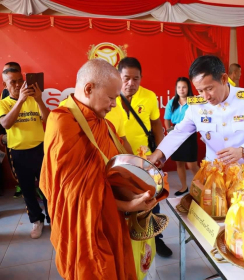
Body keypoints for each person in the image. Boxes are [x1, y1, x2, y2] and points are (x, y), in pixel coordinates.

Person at [40, 59, 156, 280]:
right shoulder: (63, 124)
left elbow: (113, 173)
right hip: (85, 228)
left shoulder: (104, 125)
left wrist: (143, 184)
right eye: (112, 98)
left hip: (112, 220)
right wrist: (128, 205)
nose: (114, 105)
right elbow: (75, 198)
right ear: (88, 88)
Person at [148, 55, 244, 189]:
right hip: (216, 176)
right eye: (200, 91)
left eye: (209, 89)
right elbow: (179, 132)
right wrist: (157, 154)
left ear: (224, 79)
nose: (205, 97)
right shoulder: (196, 106)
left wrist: (242, 151)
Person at [117, 57, 172, 258]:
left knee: (152, 197)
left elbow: (156, 125)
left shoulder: (148, 97)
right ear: (118, 77)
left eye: (136, 78)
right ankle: (128, 240)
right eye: (126, 78)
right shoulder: (110, 96)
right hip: (118, 161)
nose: (131, 83)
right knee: (124, 199)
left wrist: (160, 152)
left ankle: (156, 239)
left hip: (145, 158)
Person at [0, 67, 50, 238]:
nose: (18, 84)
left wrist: (39, 100)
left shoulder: (34, 99)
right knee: (27, 190)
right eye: (13, 81)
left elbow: (49, 120)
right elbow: (6, 123)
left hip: (40, 150)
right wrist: (20, 101)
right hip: (18, 153)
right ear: (5, 84)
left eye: (20, 80)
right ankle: (36, 221)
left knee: (48, 188)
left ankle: (53, 218)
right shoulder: (1, 103)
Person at [59, 93, 133, 154]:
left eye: (115, 98)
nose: (114, 104)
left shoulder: (116, 108)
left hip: (110, 168)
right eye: (110, 97)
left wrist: (133, 163)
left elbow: (122, 139)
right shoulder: (67, 108)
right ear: (89, 89)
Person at [164, 77, 199, 196]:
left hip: (189, 133)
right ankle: (184, 187)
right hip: (175, 133)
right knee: (179, 163)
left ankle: (203, 186)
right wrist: (169, 132)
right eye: (179, 87)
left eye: (184, 87)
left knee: (191, 164)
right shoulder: (172, 101)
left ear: (188, 88)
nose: (181, 90)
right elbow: (167, 118)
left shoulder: (194, 101)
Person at [0, 62, 22, 198]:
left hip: (31, 140)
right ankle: (22, 186)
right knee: (17, 169)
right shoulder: (4, 95)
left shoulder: (31, 91)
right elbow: (2, 119)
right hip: (12, 138)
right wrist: (1, 135)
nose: (16, 84)